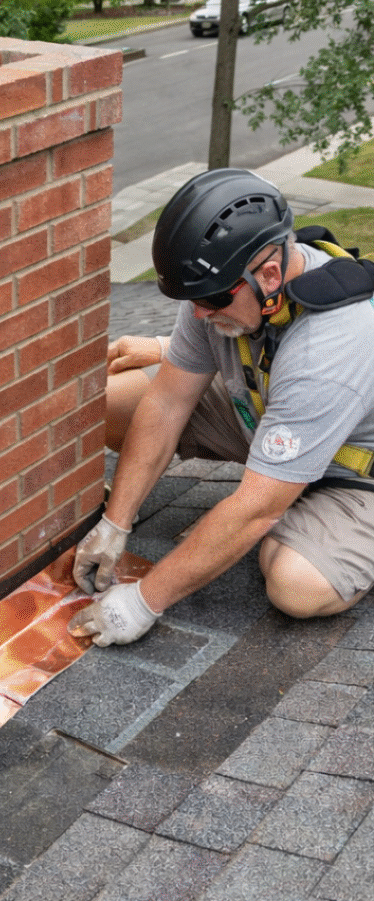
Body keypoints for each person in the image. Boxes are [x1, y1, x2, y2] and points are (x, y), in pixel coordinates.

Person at [69, 167, 374, 647]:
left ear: (269, 274)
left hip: (355, 472)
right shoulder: (219, 286)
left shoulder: (327, 349)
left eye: (210, 300)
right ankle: (283, 484)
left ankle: (310, 510)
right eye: (192, 298)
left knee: (296, 585)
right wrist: (115, 522)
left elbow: (256, 510)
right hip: (275, 416)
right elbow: (167, 401)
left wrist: (143, 601)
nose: (199, 313)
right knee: (110, 403)